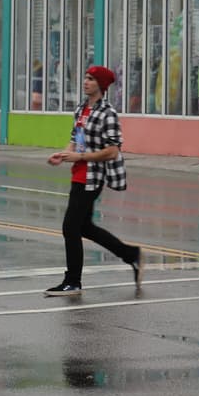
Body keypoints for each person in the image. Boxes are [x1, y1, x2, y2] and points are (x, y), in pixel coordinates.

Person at [44, 65, 143, 296]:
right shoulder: (81, 109)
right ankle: (131, 255)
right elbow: (75, 139)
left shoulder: (107, 113)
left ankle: (73, 282)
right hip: (78, 173)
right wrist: (63, 154)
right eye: (85, 77)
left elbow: (113, 150)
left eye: (90, 79)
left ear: (100, 84)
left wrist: (80, 156)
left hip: (92, 177)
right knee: (84, 227)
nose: (85, 82)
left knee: (70, 227)